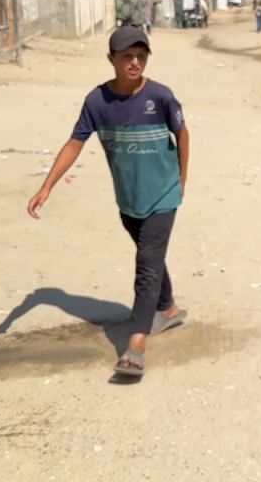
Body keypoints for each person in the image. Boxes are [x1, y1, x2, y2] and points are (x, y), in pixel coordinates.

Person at [27, 26, 190, 379]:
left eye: (141, 56)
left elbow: (182, 133)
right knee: (151, 256)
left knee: (146, 264)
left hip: (163, 196)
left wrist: (182, 178)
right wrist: (47, 186)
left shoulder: (161, 97)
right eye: (127, 57)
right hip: (128, 199)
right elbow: (75, 143)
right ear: (111, 59)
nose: (135, 62)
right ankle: (169, 308)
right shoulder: (97, 102)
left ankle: (135, 347)